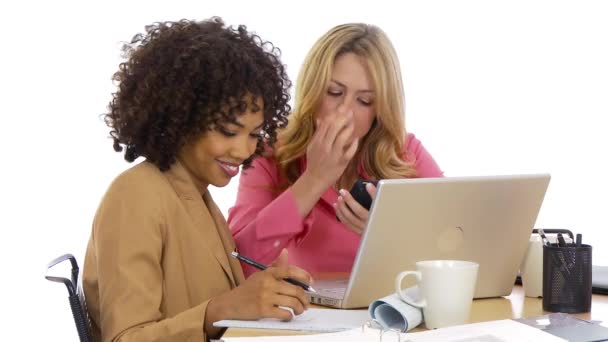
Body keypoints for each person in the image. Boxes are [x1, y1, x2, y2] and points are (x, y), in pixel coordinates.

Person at [82, 17, 312, 342]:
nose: (243, 150)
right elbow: (125, 338)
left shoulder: (198, 197)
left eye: (254, 134)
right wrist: (220, 311)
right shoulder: (135, 195)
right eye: (228, 131)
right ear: (181, 115)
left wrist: (259, 295)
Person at [228, 23, 444, 276]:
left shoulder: (405, 154)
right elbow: (237, 265)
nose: (345, 112)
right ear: (313, 92)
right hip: (300, 312)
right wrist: (314, 180)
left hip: (385, 311)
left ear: (380, 108)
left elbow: (456, 252)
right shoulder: (270, 153)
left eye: (364, 101)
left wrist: (388, 237)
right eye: (334, 92)